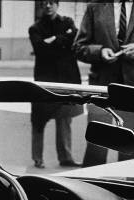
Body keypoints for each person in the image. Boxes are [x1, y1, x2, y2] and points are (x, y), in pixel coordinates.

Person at [74, 0, 134, 166]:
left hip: (132, 89)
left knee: (130, 152)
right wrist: (99, 52)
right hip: (102, 87)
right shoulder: (96, 6)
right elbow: (79, 47)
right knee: (96, 148)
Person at [28, 0, 82, 169]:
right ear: (41, 6)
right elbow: (40, 48)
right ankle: (38, 158)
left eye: (51, 2)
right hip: (45, 80)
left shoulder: (68, 22)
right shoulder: (35, 28)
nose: (48, 6)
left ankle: (66, 157)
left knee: (64, 118)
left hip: (66, 78)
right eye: (44, 3)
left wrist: (53, 40)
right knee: (38, 119)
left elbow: (74, 38)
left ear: (57, 4)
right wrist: (62, 41)